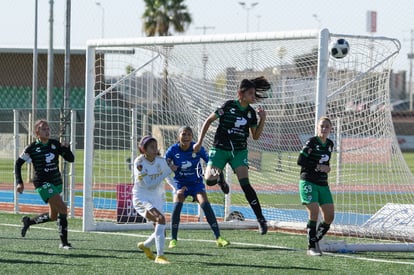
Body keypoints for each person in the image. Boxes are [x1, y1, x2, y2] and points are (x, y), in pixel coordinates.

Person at [194, 76, 271, 235]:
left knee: (245, 184)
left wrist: (262, 119)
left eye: (254, 93)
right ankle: (220, 177)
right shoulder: (228, 106)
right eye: (250, 93)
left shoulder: (250, 113)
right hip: (220, 150)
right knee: (209, 180)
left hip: (239, 152)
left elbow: (255, 136)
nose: (253, 96)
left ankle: (260, 219)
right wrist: (200, 142)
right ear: (240, 94)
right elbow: (208, 121)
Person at [165, 126, 230, 249]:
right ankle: (173, 239)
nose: (186, 137)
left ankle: (218, 238)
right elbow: (165, 164)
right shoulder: (172, 150)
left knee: (205, 203)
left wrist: (215, 174)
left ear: (192, 137)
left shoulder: (197, 148)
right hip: (180, 184)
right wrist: (170, 167)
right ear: (178, 137)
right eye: (184, 134)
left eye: (189, 134)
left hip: (196, 183)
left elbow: (210, 161)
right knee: (178, 201)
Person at [15, 119, 75, 249]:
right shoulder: (31, 148)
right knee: (63, 209)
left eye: (48, 129)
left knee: (53, 216)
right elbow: (18, 164)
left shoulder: (55, 144)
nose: (47, 131)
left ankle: (28, 222)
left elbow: (71, 159)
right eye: (43, 129)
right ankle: (64, 243)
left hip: (56, 182)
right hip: (42, 184)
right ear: (37, 132)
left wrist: (66, 149)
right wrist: (19, 182)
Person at [132, 135, 176, 264]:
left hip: (157, 197)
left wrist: (175, 188)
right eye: (151, 147)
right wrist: (167, 171)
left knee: (161, 229)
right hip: (142, 197)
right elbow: (149, 183)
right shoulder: (139, 163)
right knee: (161, 220)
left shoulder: (160, 161)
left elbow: (167, 177)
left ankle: (145, 245)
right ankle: (160, 256)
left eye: (156, 146)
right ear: (143, 149)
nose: (155, 149)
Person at [297, 116, 335, 256]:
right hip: (308, 181)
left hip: (323, 183)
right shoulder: (311, 142)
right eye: (322, 126)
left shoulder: (330, 144)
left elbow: (325, 163)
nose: (324, 129)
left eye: (327, 126)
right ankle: (311, 247)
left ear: (331, 129)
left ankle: (315, 238)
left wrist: (327, 168)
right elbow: (300, 160)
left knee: (329, 216)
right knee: (314, 211)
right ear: (317, 128)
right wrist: (318, 166)